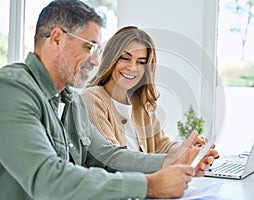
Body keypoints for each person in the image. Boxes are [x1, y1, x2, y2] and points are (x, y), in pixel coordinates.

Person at [0, 0, 218, 200]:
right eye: (89, 47)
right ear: (57, 39)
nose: (96, 61)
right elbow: (47, 178)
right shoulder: (11, 89)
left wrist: (170, 161)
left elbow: (107, 156)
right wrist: (148, 185)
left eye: (98, 50)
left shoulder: (72, 102)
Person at [81, 26, 207, 153]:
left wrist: (187, 149)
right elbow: (113, 158)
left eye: (141, 62)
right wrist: (170, 161)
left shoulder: (140, 103)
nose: (132, 68)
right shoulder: (92, 99)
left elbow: (163, 145)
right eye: (125, 58)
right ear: (111, 58)